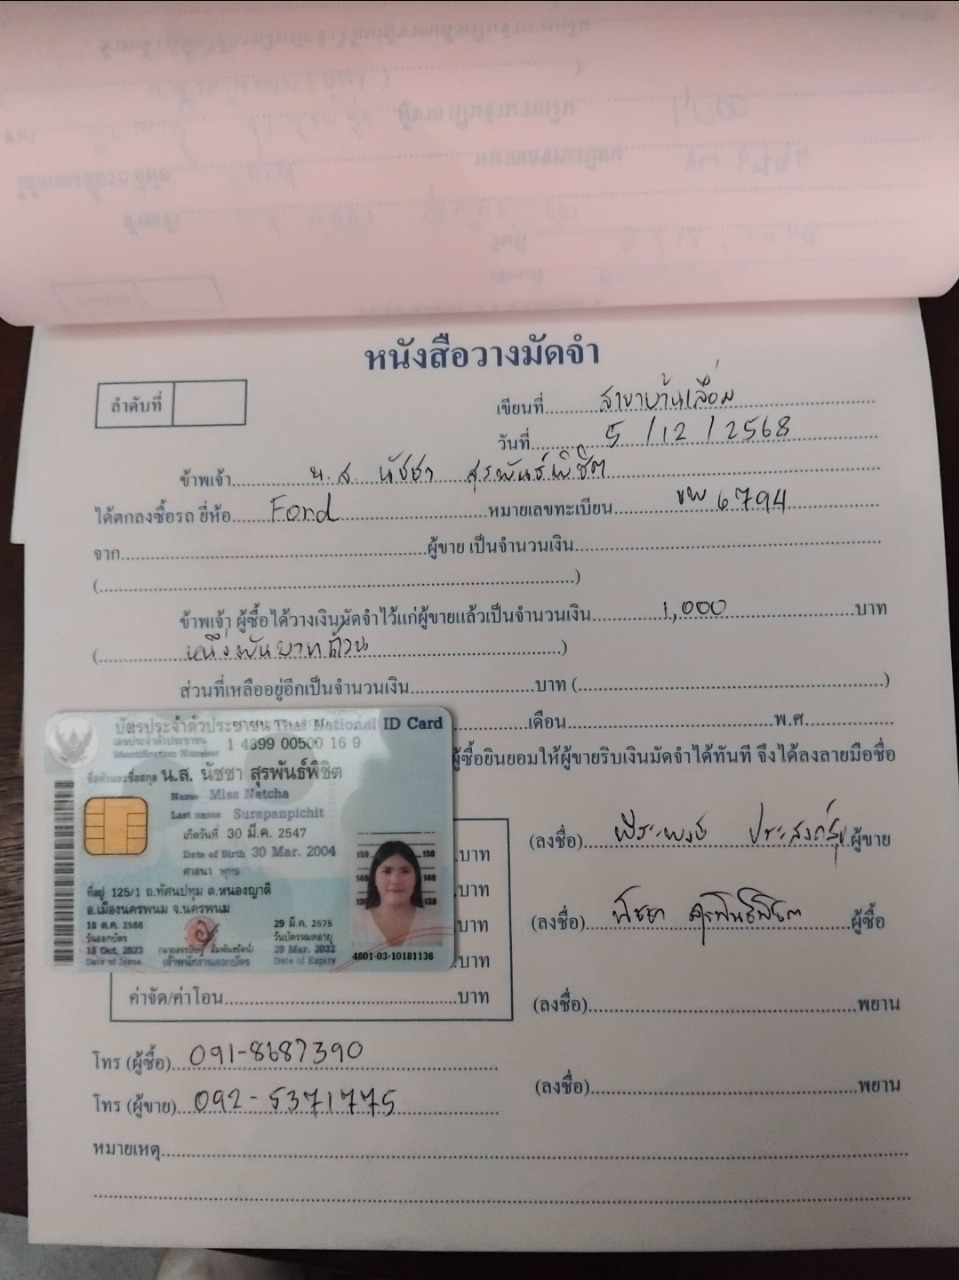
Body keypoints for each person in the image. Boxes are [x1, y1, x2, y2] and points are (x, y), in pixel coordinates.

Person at [354, 840, 439, 948]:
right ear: (374, 878)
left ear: (416, 878)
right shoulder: (354, 924)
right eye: (387, 871)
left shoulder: (435, 924)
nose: (395, 880)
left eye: (405, 871)